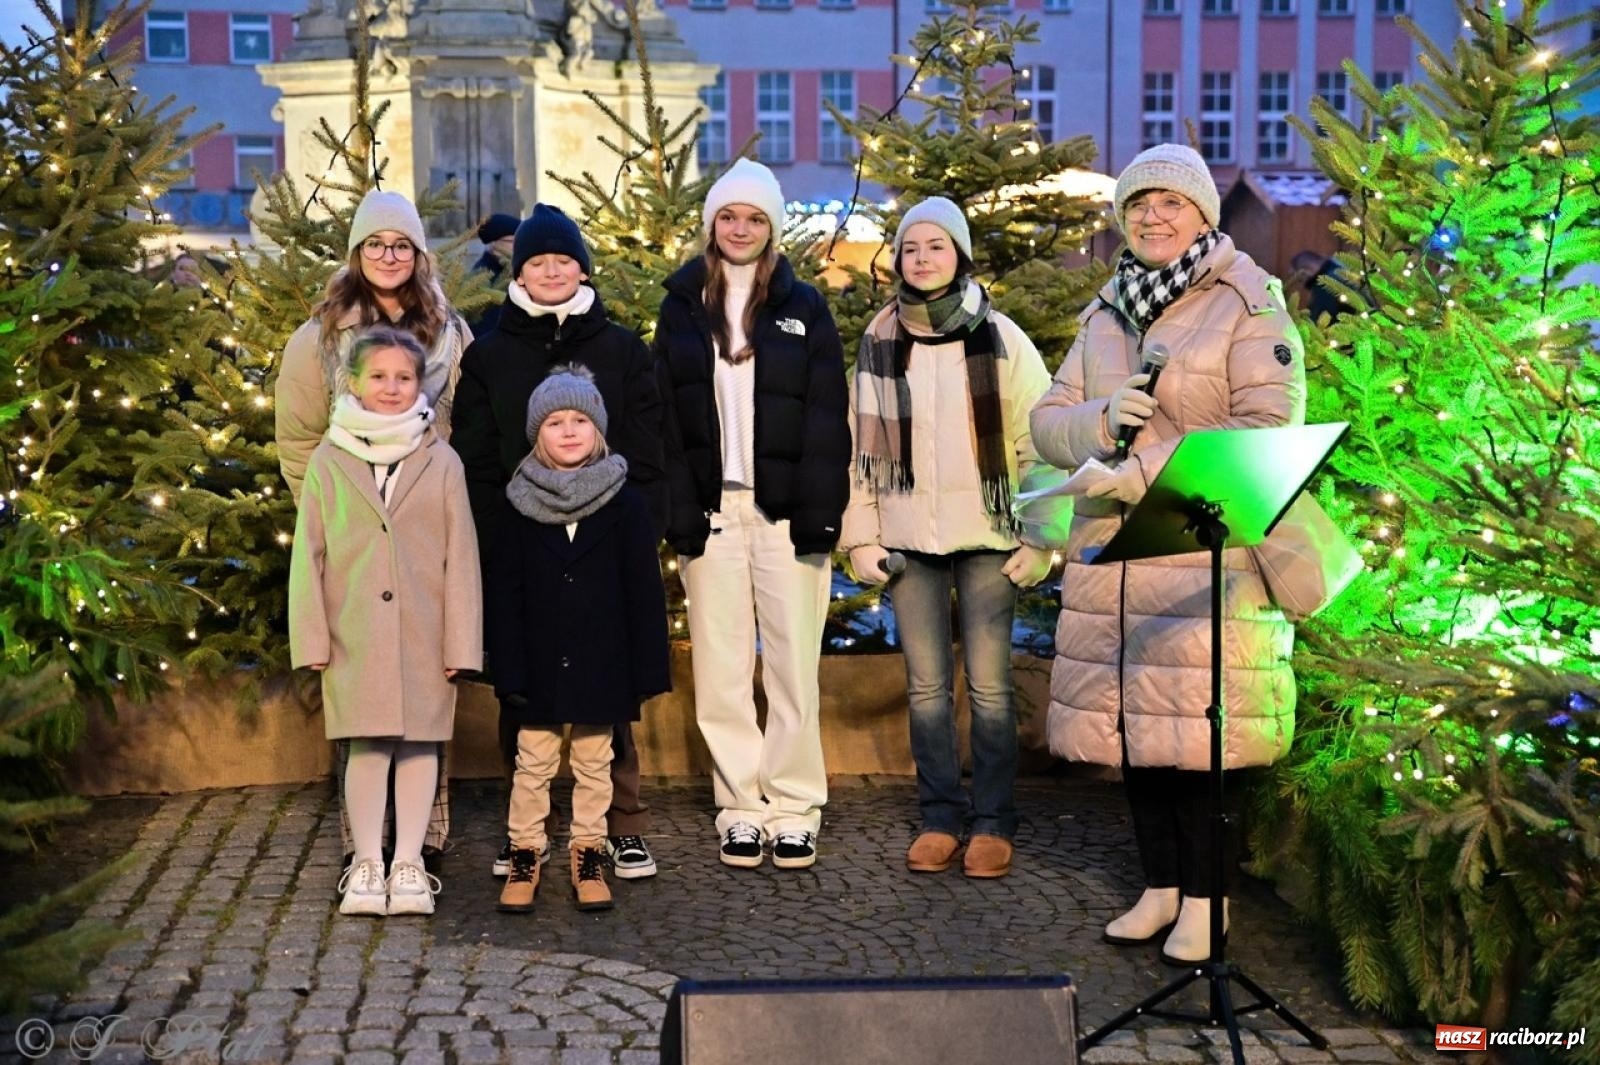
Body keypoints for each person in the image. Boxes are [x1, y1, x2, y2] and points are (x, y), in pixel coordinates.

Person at [1028, 144, 1305, 964]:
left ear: (1202, 216)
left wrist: (1139, 472)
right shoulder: (1107, 309)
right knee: (1136, 730)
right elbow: (1048, 421)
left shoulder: (1248, 303)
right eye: (1138, 204)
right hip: (1115, 557)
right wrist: (1104, 413)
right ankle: (1159, 885)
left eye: (1170, 203)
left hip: (1202, 554)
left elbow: (1266, 432)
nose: (1152, 216)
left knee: (1199, 738)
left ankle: (1207, 897)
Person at [451, 203, 667, 882]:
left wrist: (637, 528)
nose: (550, 271)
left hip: (606, 535)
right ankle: (528, 834)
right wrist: (495, 542)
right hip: (521, 539)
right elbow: (477, 456)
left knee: (607, 699)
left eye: (563, 260)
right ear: (521, 270)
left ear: (582, 268)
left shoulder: (623, 348)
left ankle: (617, 828)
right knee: (526, 694)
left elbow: (648, 448)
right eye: (538, 262)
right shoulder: (489, 350)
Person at [840, 197, 1054, 880]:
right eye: (911, 247)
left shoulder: (1003, 339)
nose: (923, 257)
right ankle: (939, 814)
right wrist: (861, 537)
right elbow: (857, 451)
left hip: (991, 537)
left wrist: (1044, 535)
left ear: (959, 254)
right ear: (898, 259)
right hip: (907, 542)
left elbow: (1039, 441)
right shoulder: (878, 342)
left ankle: (992, 819)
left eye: (937, 245)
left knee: (990, 688)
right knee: (927, 687)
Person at [654, 157, 851, 870]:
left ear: (771, 228)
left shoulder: (804, 306)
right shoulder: (679, 304)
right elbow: (666, 420)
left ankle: (794, 803)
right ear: (712, 225)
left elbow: (830, 417)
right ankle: (739, 801)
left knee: (795, 663)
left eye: (754, 218)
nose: (740, 228)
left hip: (784, 512)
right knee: (723, 664)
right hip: (711, 510)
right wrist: (679, 511)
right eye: (728, 217)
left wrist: (822, 515)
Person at [275, 189, 472, 876]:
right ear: (357, 253)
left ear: (418, 255)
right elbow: (299, 437)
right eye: (375, 244)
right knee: (360, 689)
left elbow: (465, 426)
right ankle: (365, 847)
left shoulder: (450, 331)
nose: (388, 256)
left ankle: (423, 841)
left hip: (424, 523)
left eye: (401, 245)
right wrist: (331, 515)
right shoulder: (320, 336)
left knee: (423, 690)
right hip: (353, 532)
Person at [287, 326, 482, 917]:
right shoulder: (328, 458)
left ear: (419, 383)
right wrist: (313, 636)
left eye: (404, 378)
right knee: (367, 748)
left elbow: (462, 555)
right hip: (354, 634)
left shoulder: (441, 460)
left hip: (426, 630)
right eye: (379, 377)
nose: (392, 389)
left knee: (421, 747)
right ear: (354, 382)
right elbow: (309, 554)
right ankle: (367, 862)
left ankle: (410, 863)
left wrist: (463, 643)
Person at [488, 367, 671, 914]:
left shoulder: (626, 504)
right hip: (539, 663)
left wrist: (645, 670)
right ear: (535, 433)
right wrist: (508, 670)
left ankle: (588, 851)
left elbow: (643, 593)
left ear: (599, 430)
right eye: (555, 422)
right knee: (533, 761)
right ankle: (526, 850)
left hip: (603, 662)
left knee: (596, 762)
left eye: (580, 421)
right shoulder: (516, 504)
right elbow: (504, 595)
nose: (569, 431)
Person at [468, 212, 520, 336]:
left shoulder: (509, 270)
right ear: (494, 244)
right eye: (513, 241)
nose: (519, 245)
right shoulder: (484, 276)